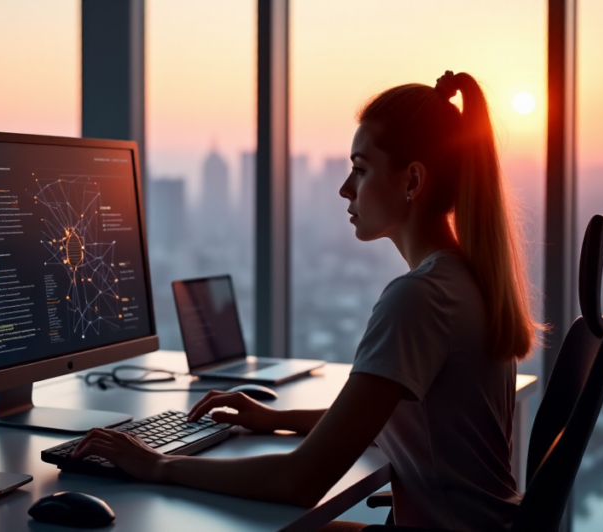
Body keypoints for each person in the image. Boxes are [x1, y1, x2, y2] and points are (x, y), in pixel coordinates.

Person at [71, 71, 545, 531]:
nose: (345, 188)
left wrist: (157, 464)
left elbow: (300, 481)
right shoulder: (465, 279)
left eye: (360, 169)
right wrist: (276, 419)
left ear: (413, 181)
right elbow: (382, 420)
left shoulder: (419, 299)